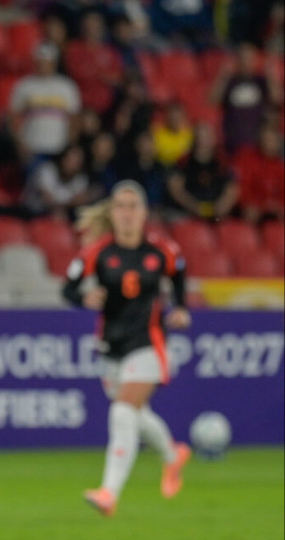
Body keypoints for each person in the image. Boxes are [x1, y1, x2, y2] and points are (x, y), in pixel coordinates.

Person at [63, 181, 191, 518]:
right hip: (111, 346)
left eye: (134, 206)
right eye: (121, 205)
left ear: (145, 213)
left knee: (122, 412)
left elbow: (178, 275)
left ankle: (109, 493)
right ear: (112, 212)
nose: (127, 213)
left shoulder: (162, 251)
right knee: (137, 415)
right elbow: (68, 288)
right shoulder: (96, 252)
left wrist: (179, 308)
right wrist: (83, 298)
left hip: (149, 343)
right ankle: (173, 455)